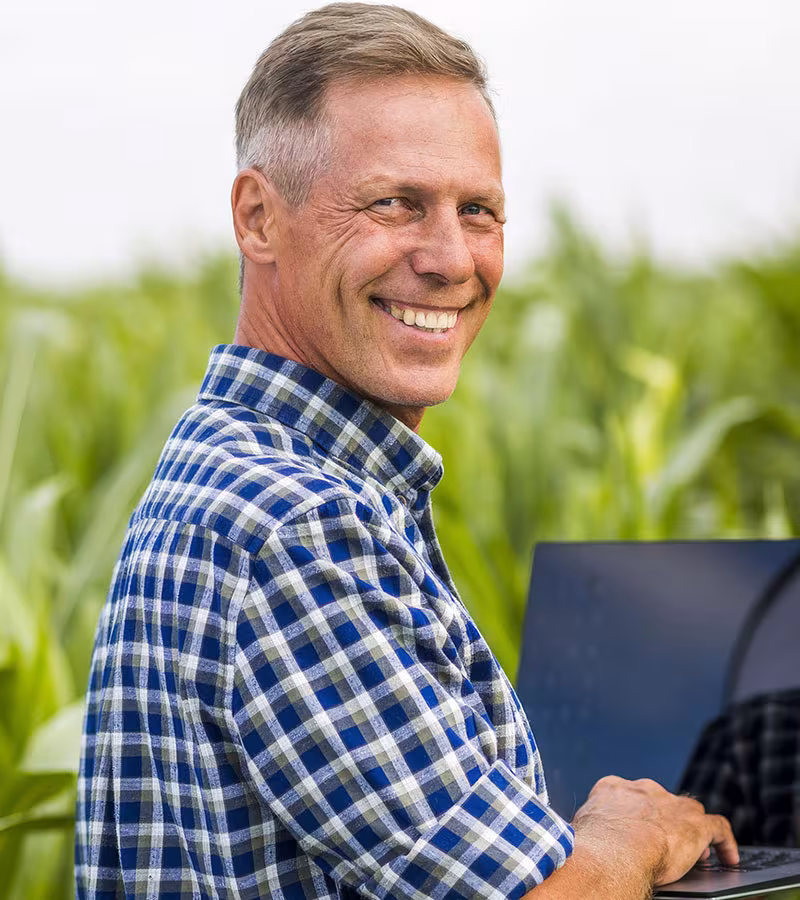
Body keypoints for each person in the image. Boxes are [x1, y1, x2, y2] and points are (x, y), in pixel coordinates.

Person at [75, 4, 738, 898]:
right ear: (258, 217)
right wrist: (624, 839)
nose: (450, 258)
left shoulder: (236, 466)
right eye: (395, 203)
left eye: (480, 210)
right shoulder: (295, 523)